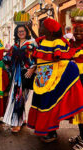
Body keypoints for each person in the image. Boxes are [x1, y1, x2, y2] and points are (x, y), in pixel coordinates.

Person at [27, 18, 83, 143]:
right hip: (43, 78)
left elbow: (61, 59)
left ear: (49, 31)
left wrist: (68, 72)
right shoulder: (45, 40)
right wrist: (30, 29)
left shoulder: (58, 42)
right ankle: (48, 130)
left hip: (54, 79)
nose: (40, 28)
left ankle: (52, 132)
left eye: (42, 26)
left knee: (51, 104)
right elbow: (43, 54)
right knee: (44, 103)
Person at [3, 23, 37, 132]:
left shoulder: (31, 43)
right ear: (16, 34)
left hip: (27, 73)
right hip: (16, 75)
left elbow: (38, 57)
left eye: (23, 31)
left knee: (23, 98)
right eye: (19, 32)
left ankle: (21, 119)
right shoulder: (15, 45)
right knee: (17, 97)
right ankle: (17, 122)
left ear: (26, 32)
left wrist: (33, 68)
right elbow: (8, 57)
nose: (21, 33)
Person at [68, 20, 83, 150]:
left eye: (81, 31)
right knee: (78, 108)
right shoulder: (71, 44)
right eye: (76, 31)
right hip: (74, 78)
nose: (78, 33)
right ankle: (81, 135)